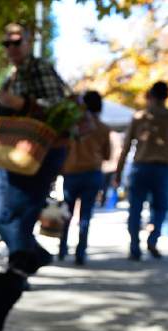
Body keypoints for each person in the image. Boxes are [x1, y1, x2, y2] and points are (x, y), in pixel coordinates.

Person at [0, 23, 69, 268]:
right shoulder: (11, 76)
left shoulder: (39, 68)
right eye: (7, 43)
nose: (11, 47)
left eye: (17, 41)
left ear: (28, 42)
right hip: (12, 154)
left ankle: (19, 270)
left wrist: (23, 104)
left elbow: (58, 105)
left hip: (37, 155)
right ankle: (35, 257)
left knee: (19, 216)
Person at [113, 81, 168, 260]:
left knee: (135, 208)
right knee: (160, 207)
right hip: (162, 169)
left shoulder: (140, 117)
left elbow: (126, 147)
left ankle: (135, 245)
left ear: (149, 96)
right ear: (167, 96)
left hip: (140, 167)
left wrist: (118, 172)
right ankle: (153, 238)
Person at [58, 90, 110, 265]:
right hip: (92, 173)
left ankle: (62, 248)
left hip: (71, 173)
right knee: (86, 214)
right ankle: (81, 252)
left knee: (67, 213)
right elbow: (107, 154)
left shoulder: (72, 124)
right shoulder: (102, 128)